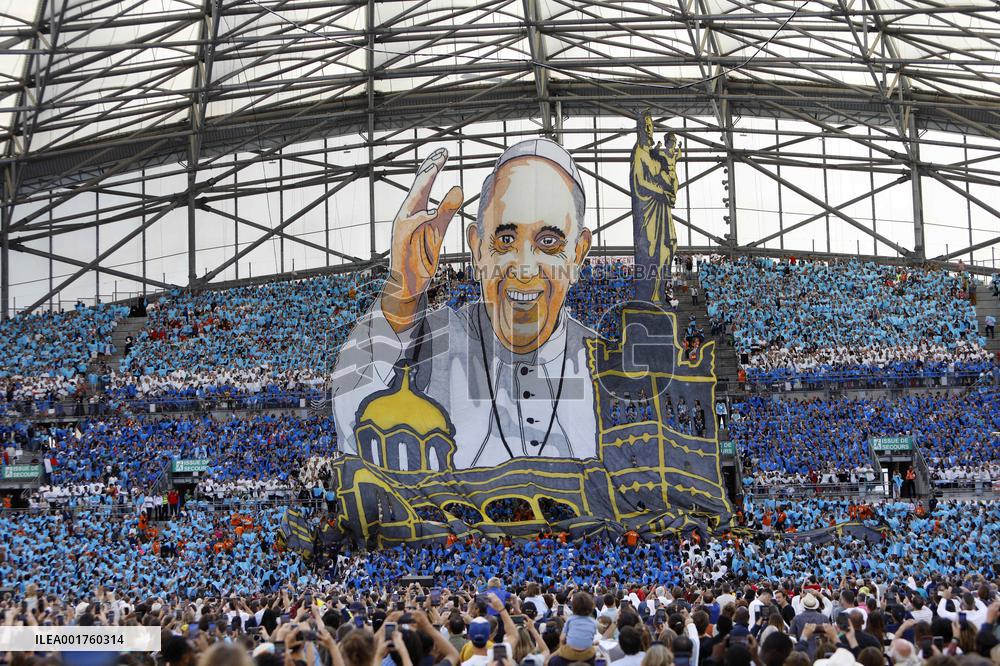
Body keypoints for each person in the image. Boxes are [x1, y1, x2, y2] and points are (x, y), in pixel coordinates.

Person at [333, 139, 599, 468]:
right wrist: (401, 296)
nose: (525, 268)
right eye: (505, 240)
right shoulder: (435, 339)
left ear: (578, 253)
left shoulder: (606, 364)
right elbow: (351, 418)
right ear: (477, 249)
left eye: (548, 242)